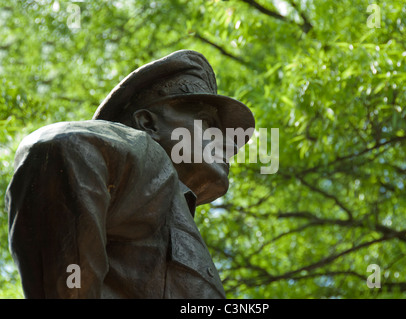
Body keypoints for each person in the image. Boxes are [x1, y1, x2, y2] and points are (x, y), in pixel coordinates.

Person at [5, 50, 255, 298]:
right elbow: (62, 145)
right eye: (209, 124)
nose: (227, 143)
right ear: (148, 123)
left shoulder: (170, 202)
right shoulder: (152, 164)